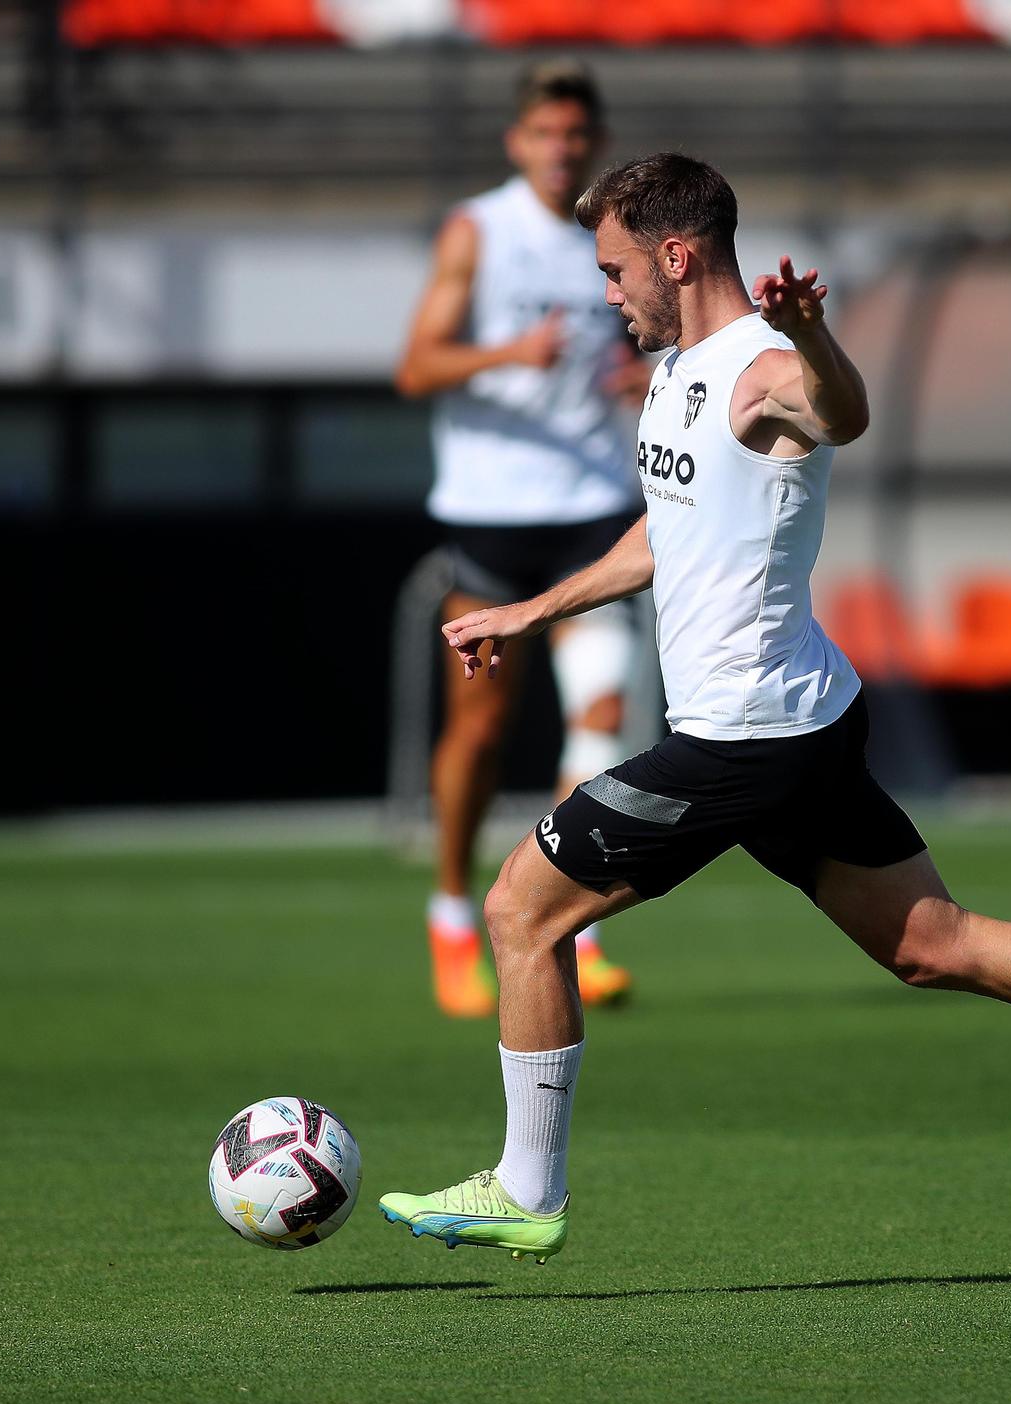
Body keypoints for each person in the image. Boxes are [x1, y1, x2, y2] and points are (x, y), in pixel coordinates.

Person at [377, 153, 1011, 1262]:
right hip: (800, 718)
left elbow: (838, 413)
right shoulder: (675, 368)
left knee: (521, 910)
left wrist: (812, 337)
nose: (605, 293)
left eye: (614, 271)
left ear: (675, 256)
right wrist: (534, 609)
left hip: (744, 737)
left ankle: (527, 1186)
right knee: (933, 943)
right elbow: (663, 532)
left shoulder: (764, 368)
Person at [393, 60, 649, 1018]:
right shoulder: (480, 229)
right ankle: (451, 916)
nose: (561, 150)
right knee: (483, 730)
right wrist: (511, 351)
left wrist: (646, 372)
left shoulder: (615, 230)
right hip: (494, 512)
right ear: (518, 141)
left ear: (597, 142)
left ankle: (577, 930)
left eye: (576, 135)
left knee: (603, 712)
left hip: (593, 506)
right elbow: (415, 366)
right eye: (545, 133)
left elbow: (650, 334)